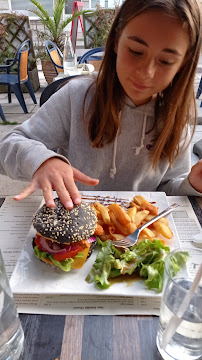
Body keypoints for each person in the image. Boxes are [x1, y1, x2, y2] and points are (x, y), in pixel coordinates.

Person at [0, 0, 202, 209]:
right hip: (75, 222)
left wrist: (191, 184)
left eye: (166, 61)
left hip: (138, 235)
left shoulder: (175, 119)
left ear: (183, 64)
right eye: (135, 51)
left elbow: (167, 190)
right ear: (115, 40)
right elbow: (7, 146)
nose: (146, 72)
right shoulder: (76, 97)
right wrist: (42, 160)